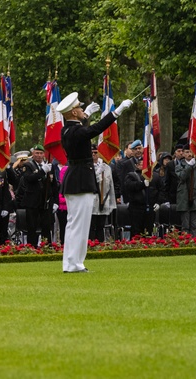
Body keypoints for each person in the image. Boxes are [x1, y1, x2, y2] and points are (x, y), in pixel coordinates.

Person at [58, 91, 132, 273]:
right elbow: (94, 129)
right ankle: (75, 264)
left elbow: (82, 128)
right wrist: (117, 112)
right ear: (74, 113)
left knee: (73, 224)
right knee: (80, 225)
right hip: (80, 181)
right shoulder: (75, 131)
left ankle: (71, 263)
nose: (82, 109)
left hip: (75, 180)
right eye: (79, 108)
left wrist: (87, 114)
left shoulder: (67, 129)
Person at [15, 146, 57, 247]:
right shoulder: (28, 165)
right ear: (33, 154)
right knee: (32, 227)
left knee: (46, 226)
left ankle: (47, 247)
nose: (39, 155)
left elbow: (54, 185)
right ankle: (32, 248)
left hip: (45, 201)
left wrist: (55, 201)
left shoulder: (49, 166)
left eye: (41, 153)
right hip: (32, 201)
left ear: (44, 154)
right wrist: (42, 171)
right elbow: (29, 178)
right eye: (37, 153)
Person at [175, 146, 196, 234]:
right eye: (187, 152)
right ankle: (186, 243)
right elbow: (182, 176)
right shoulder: (179, 165)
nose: (189, 154)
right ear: (183, 154)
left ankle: (193, 242)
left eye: (191, 152)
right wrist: (189, 167)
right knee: (185, 225)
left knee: (194, 225)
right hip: (184, 197)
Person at [90, 157, 116, 242]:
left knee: (101, 226)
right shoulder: (88, 167)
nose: (94, 155)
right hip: (92, 201)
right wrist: (97, 174)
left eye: (96, 152)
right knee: (91, 227)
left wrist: (112, 203)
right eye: (92, 152)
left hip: (104, 201)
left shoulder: (107, 168)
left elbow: (111, 185)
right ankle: (91, 245)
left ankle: (100, 246)